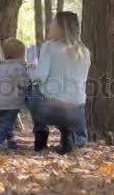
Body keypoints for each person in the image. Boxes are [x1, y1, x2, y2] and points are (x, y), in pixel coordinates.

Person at [27, 11, 91, 155]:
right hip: (77, 108)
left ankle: (40, 138)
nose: (49, 26)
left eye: (52, 23)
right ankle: (69, 134)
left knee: (31, 89)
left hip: (53, 108)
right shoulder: (84, 51)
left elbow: (40, 77)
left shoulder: (49, 47)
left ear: (61, 28)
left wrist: (30, 71)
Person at [0, 38, 29, 151]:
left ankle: (11, 141)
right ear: (21, 55)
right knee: (7, 123)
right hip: (11, 101)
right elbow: (23, 83)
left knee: (5, 121)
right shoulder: (18, 68)